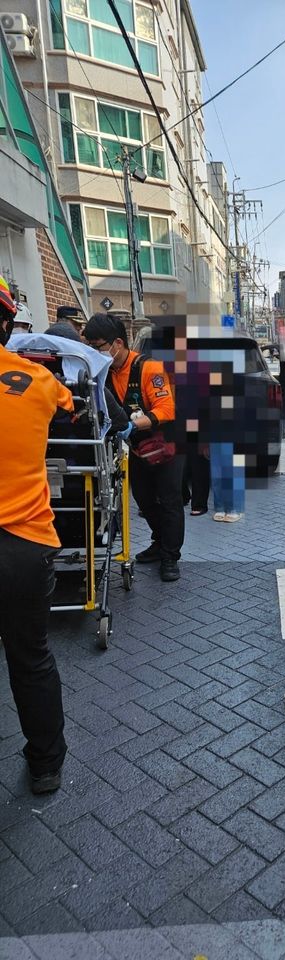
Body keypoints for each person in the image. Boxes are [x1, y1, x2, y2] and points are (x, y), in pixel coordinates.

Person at [0, 276, 73, 794]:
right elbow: (74, 411)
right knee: (30, 657)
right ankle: (46, 764)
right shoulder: (36, 380)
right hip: (23, 543)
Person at [83, 313, 184, 582]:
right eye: (90, 346)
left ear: (117, 342)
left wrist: (133, 424)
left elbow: (166, 408)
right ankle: (159, 541)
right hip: (136, 450)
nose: (96, 351)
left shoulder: (149, 368)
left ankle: (170, 557)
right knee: (145, 501)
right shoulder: (104, 373)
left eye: (99, 346)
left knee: (169, 502)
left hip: (165, 446)